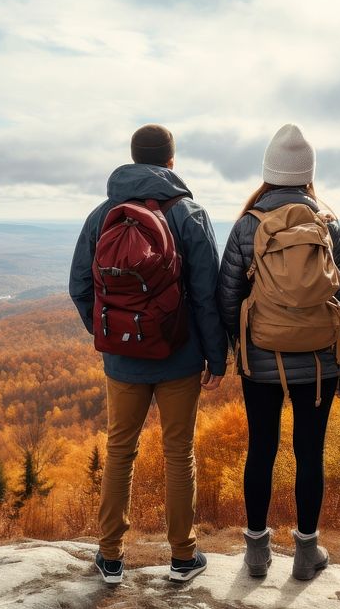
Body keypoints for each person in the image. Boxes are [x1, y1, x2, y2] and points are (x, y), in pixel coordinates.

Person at [69, 124, 228, 585]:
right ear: (171, 163)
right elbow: (206, 295)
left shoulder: (103, 214)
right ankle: (182, 557)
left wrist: (111, 337)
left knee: (120, 451)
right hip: (180, 359)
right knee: (180, 454)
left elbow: (80, 286)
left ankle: (111, 557)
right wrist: (215, 358)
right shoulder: (190, 214)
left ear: (134, 159)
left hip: (123, 364)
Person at [217, 123, 340, 581]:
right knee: (309, 453)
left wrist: (228, 352)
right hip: (319, 361)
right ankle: (306, 553)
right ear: (308, 174)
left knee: (261, 449)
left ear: (268, 174)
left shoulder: (247, 225)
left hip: (261, 359)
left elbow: (227, 294)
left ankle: (257, 553)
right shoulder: (328, 223)